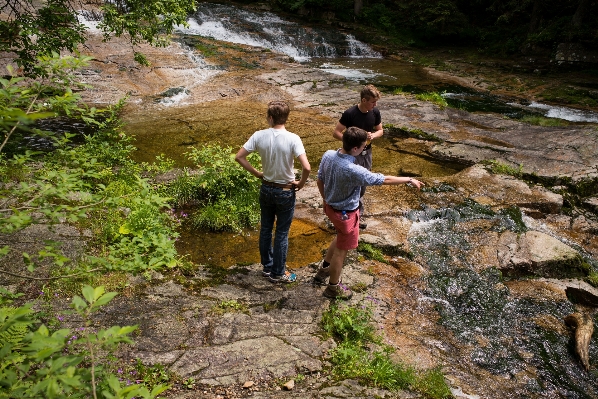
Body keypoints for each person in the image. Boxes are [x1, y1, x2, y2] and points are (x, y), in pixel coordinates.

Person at [315, 126, 423, 299]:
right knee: (341, 252)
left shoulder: (328, 154)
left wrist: (325, 199)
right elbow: (383, 179)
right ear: (356, 148)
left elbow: (319, 179)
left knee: (339, 237)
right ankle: (332, 288)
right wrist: (409, 179)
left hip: (330, 208)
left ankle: (323, 270)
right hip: (346, 215)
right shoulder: (353, 170)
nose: (365, 148)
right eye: (364, 146)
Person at [235, 101, 311, 284]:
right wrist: (300, 183)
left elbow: (239, 157)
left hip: (266, 187)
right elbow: (306, 167)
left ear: (270, 118)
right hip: (285, 190)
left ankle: (267, 267)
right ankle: (278, 273)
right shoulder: (293, 138)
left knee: (266, 229)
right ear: (286, 117)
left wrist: (257, 174)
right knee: (282, 233)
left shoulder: (259, 135)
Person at [333, 84, 383, 228]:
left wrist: (373, 135)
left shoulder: (375, 112)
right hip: (352, 155)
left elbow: (380, 130)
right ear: (363, 100)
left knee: (362, 184)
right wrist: (350, 141)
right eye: (373, 102)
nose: (375, 105)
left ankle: (357, 216)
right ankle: (344, 214)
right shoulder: (350, 113)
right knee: (349, 184)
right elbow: (336, 132)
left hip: (366, 154)